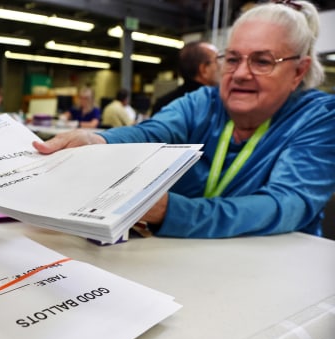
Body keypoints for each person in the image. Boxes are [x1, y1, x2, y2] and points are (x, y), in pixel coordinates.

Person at [34, 0, 335, 239]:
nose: (241, 73)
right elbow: (154, 132)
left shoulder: (318, 118)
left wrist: (173, 213)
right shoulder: (202, 102)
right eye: (232, 59)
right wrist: (99, 140)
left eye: (262, 61)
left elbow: (284, 205)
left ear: (298, 70)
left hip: (277, 268)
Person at [151, 40, 220, 115]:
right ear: (204, 69)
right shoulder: (212, 105)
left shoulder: (163, 103)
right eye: (218, 61)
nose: (222, 66)